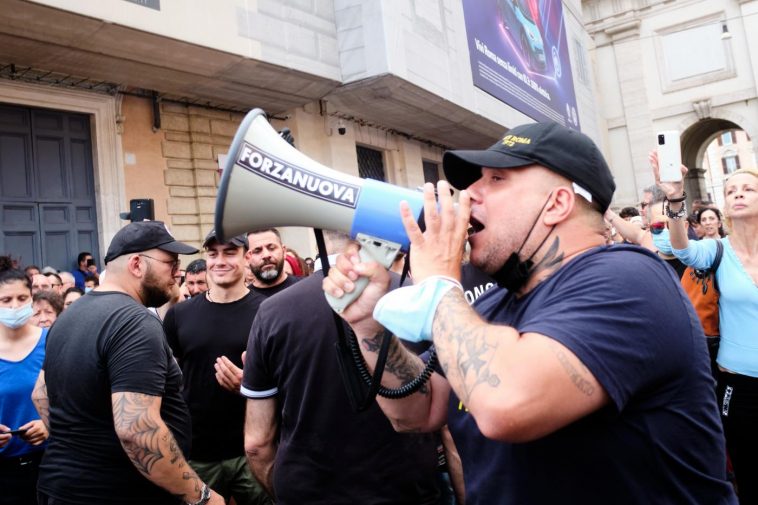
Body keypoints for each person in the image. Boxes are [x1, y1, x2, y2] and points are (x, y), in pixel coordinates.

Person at [323, 122, 736, 504]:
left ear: (556, 204)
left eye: (496, 180)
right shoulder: (490, 306)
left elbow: (508, 404)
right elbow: (419, 410)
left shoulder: (630, 279)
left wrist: (436, 287)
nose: (468, 196)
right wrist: (369, 326)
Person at [33, 221, 224, 505]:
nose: (177, 273)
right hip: (117, 493)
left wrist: (84, 447)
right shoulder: (134, 322)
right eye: (170, 263)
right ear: (137, 264)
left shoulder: (69, 317)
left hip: (61, 487)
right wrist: (201, 496)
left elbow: (40, 395)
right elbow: (136, 429)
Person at [243, 230, 440, 505]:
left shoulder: (271, 312)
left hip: (309, 491)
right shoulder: (415, 292)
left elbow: (257, 444)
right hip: (406, 488)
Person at [656, 160, 758, 505]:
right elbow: (681, 249)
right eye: (731, 191)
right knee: (746, 472)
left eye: (748, 189)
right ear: (725, 206)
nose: (739, 194)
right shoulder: (718, 250)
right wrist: (674, 201)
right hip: (739, 387)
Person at [163, 230, 271, 505]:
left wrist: (249, 386)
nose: (219, 261)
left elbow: (288, 381)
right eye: (213, 254)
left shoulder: (269, 311)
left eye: (229, 252)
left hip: (253, 449)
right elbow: (170, 379)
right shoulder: (180, 314)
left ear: (247, 258)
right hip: (198, 453)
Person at [0, 256, 49, 505]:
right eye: (5, 300)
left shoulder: (53, 341)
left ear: (32, 299)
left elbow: (77, 398)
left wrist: (49, 424)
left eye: (21, 298)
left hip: (50, 465)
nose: (14, 306)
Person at [246, 229, 300, 297]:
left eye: (271, 248)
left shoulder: (307, 289)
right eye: (257, 251)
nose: (266, 255)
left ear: (284, 251)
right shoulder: (242, 304)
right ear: (247, 258)